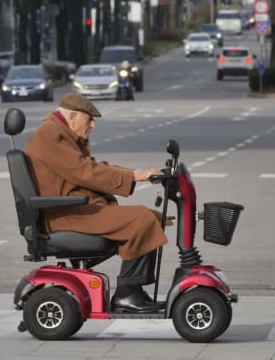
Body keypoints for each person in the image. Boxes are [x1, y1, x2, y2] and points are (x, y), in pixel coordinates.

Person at [23, 93, 168, 313]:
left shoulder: (60, 132)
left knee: (153, 218)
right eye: (89, 119)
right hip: (64, 214)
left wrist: (136, 174)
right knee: (142, 219)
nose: (93, 125)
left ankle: (134, 291)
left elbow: (90, 166)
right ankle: (127, 294)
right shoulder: (51, 134)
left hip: (72, 209)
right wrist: (135, 176)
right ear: (72, 116)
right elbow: (85, 171)